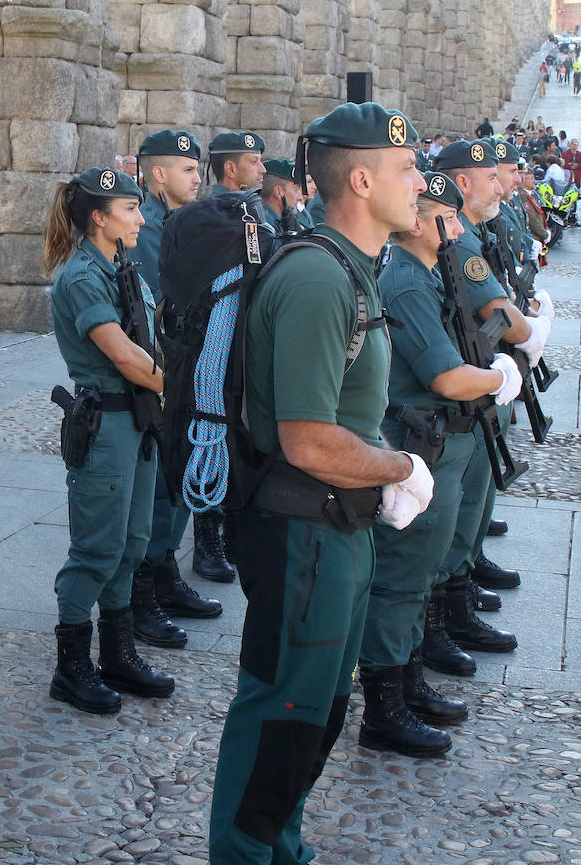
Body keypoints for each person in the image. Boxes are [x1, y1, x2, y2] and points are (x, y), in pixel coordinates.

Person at [207, 102, 435, 864]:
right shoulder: (316, 275)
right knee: (282, 714)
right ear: (362, 179)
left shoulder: (353, 267)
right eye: (408, 170)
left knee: (317, 717)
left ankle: (282, 848)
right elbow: (306, 439)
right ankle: (243, 853)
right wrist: (403, 467)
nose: (420, 183)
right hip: (304, 533)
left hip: (340, 530)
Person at [357, 171, 521, 758]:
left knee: (421, 573)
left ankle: (406, 680)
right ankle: (384, 706)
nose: (456, 231)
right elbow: (447, 376)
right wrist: (501, 376)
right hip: (423, 441)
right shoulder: (406, 280)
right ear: (424, 221)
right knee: (402, 577)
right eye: (447, 220)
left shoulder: (428, 271)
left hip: (446, 441)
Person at [42, 167, 175, 716]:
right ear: (99, 217)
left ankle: (117, 653)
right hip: (107, 426)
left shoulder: (123, 266)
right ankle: (72, 667)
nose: (142, 218)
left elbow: (153, 339)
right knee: (95, 550)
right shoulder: (82, 277)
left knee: (132, 543)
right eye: (130, 209)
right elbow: (123, 355)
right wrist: (184, 394)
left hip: (137, 421)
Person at [420, 139, 543, 676]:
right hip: (450, 399)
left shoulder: (458, 243)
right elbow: (493, 314)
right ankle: (440, 617)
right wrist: (520, 345)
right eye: (489, 176)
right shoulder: (444, 252)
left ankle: (456, 601)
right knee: (441, 526)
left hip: (475, 386)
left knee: (468, 506)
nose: (500, 185)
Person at [130, 129, 225, 646]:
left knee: (180, 477)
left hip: (189, 372)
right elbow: (160, 309)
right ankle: (144, 589)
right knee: (160, 487)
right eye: (189, 170)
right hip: (162, 375)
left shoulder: (178, 223)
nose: (197, 178)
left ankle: (165, 571)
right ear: (158, 173)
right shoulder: (146, 228)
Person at [259, 158, 313, 233]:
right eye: (296, 190)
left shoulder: (289, 219)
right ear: (279, 192)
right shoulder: (263, 226)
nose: (300, 197)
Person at [208, 131, 267, 195]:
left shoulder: (244, 200)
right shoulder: (218, 204)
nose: (263, 170)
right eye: (254, 162)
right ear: (231, 169)